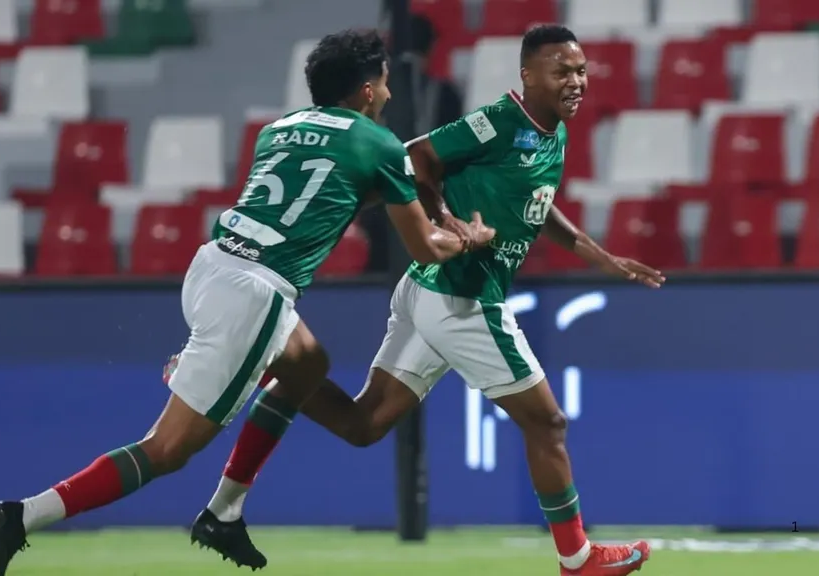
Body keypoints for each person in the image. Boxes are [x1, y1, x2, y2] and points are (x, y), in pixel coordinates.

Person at [0, 29, 494, 576]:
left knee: (306, 363)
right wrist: (469, 237)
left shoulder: (278, 131)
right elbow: (423, 248)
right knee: (166, 450)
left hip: (212, 266)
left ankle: (224, 510)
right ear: (367, 90)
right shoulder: (378, 142)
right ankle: (24, 515)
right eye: (384, 83)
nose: (389, 94)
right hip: (256, 294)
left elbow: (327, 192)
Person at [190, 24, 664, 576]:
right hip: (463, 295)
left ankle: (265, 366)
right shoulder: (500, 122)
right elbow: (415, 158)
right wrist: (449, 221)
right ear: (528, 75)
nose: (576, 81)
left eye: (581, 71)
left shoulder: (550, 131)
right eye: (562, 71)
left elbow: (536, 203)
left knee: (363, 426)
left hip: (427, 291)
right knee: (548, 424)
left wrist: (596, 253)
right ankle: (577, 558)